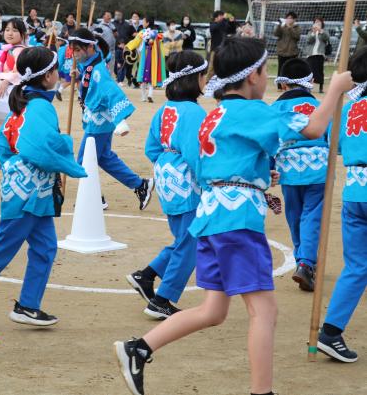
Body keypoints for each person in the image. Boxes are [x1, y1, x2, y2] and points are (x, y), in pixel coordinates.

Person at [113, 36, 351, 395]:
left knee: (213, 311)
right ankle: (261, 392)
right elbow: (315, 128)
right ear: (254, 75)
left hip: (212, 218)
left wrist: (258, 178)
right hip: (236, 222)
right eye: (264, 71)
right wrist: (334, 90)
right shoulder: (250, 111)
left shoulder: (216, 114)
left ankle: (139, 348)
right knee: (265, 312)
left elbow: (226, 163)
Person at [0, 46, 87, 331]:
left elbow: (4, 145)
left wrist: (14, 167)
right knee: (4, 246)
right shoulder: (40, 106)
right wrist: (67, 150)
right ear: (46, 78)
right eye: (55, 70)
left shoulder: (23, 104)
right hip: (28, 192)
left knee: (45, 248)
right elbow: (41, 148)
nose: (58, 74)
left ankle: (28, 305)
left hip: (28, 191)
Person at [126, 50, 207, 320]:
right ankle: (162, 298)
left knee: (184, 237)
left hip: (166, 176)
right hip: (187, 182)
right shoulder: (194, 112)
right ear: (194, 79)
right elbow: (197, 155)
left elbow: (151, 148)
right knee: (191, 242)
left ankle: (147, 275)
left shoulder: (165, 108)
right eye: (203, 75)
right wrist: (211, 181)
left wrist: (166, 163)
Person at [316, 46, 367, 363]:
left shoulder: (347, 109)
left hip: (354, 191)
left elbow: (332, 145)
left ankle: (330, 332)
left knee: (357, 265)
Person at [70, 28, 151, 210]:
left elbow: (112, 92)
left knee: (85, 159)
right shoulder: (92, 64)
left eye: (77, 50)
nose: (74, 55)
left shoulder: (98, 70)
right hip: (97, 121)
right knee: (104, 157)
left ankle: (95, 198)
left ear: (89, 47)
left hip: (99, 123)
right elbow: (88, 73)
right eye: (73, 51)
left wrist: (120, 119)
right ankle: (139, 185)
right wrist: (79, 74)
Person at [272, 58, 327, 292]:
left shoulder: (275, 108)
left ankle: (301, 259)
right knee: (312, 216)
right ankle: (306, 263)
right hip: (319, 169)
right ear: (311, 82)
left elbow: (269, 140)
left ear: (284, 85)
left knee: (295, 215)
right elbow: (333, 139)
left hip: (289, 169)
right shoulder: (321, 106)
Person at [0, 18, 28, 171]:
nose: (10, 33)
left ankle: (1, 158)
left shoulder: (20, 51)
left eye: (15, 30)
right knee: (0, 126)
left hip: (13, 96)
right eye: (7, 29)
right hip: (4, 95)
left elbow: (20, 72)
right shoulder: (6, 49)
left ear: (22, 34)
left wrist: (6, 80)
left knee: (6, 129)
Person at [128, 16, 166, 102]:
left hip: (145, 56)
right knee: (151, 74)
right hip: (154, 57)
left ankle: (144, 96)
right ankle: (149, 94)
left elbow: (135, 41)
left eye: (144, 21)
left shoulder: (144, 32)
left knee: (142, 74)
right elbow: (161, 42)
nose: (142, 23)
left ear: (148, 23)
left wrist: (128, 47)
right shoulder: (158, 32)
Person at [206, 10, 237, 81]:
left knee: (223, 66)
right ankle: (207, 82)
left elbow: (232, 31)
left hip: (224, 49)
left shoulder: (223, 24)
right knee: (212, 67)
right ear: (216, 18)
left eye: (222, 15)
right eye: (220, 16)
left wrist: (232, 22)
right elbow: (215, 28)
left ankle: (221, 82)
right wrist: (224, 20)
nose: (222, 17)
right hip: (215, 49)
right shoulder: (212, 24)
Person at [304, 17, 330, 94]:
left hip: (320, 54)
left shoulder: (324, 31)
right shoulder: (310, 32)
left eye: (319, 22)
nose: (317, 23)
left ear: (322, 23)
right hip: (311, 54)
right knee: (310, 70)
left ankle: (321, 87)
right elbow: (308, 40)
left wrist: (320, 31)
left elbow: (326, 38)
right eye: (316, 22)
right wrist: (313, 32)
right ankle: (308, 86)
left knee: (319, 70)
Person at [274, 11, 301, 78]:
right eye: (287, 18)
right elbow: (276, 34)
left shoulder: (297, 27)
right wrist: (279, 26)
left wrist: (290, 28)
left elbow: (297, 36)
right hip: (282, 52)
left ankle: (290, 84)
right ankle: (280, 85)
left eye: (290, 18)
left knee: (291, 69)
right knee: (281, 69)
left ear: (294, 19)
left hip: (292, 52)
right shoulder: (282, 27)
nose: (288, 20)